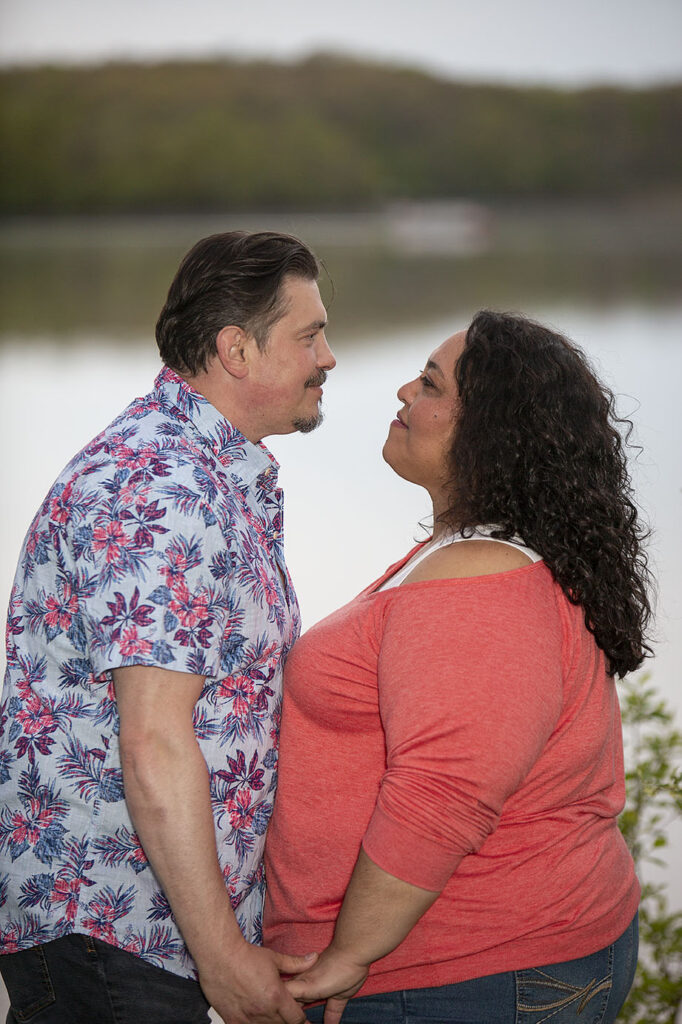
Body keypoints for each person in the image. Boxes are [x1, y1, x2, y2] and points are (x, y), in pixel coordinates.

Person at [263, 310, 650, 1024]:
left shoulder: (478, 575)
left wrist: (351, 955)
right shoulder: (480, 554)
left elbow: (443, 793)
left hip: (462, 974)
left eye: (433, 385)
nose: (405, 391)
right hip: (487, 965)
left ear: (489, 434)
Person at [0, 230, 336, 1024]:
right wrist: (222, 958)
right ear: (236, 351)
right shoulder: (158, 490)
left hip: (138, 936)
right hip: (115, 936)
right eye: (311, 334)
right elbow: (153, 740)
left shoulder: (200, 470)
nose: (329, 357)